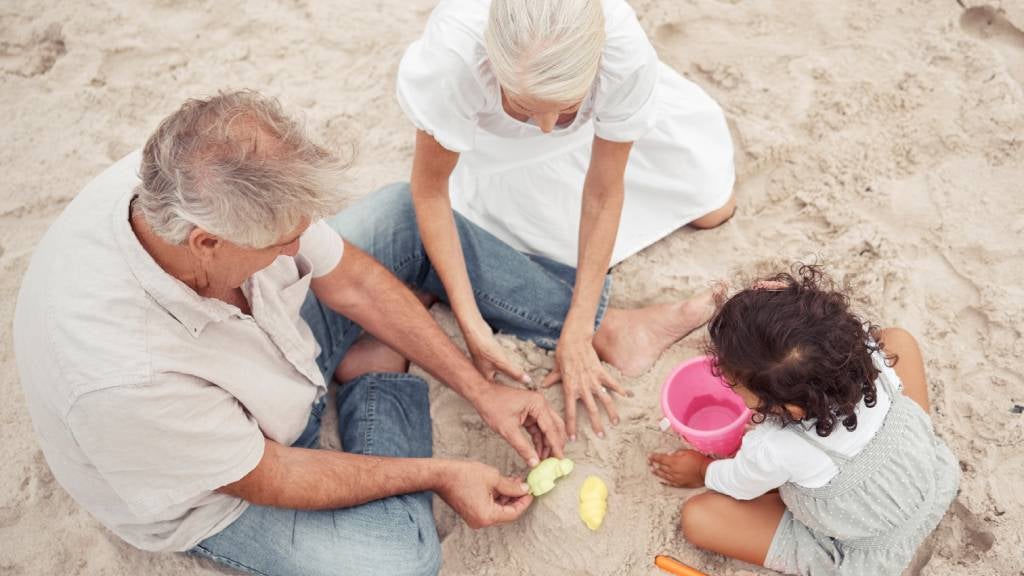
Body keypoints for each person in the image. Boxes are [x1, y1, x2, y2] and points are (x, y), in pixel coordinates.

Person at [397, 0, 736, 438]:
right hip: (498, 155)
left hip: (595, 137)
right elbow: (428, 191)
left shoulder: (621, 50)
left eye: (564, 107)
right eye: (522, 108)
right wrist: (470, 318)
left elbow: (603, 190)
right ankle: (614, 327)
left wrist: (578, 327)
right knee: (510, 239)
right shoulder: (456, 55)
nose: (543, 126)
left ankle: (599, 322)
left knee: (713, 207)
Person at [648, 266, 960, 575]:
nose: (730, 386)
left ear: (792, 409)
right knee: (897, 339)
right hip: (932, 482)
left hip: (869, 547)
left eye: (737, 386)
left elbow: (739, 485)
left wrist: (702, 470)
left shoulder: (776, 447)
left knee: (699, 517)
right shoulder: (866, 352)